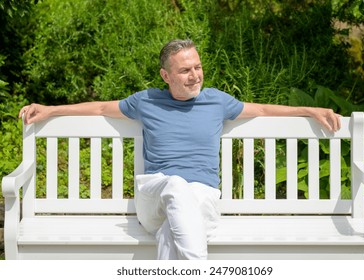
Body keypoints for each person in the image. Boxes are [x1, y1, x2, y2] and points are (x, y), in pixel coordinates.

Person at [19, 39, 341, 260]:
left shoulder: (217, 100)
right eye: (185, 70)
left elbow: (265, 111)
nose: (195, 75)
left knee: (170, 234)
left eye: (197, 67)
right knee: (175, 186)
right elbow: (102, 108)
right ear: (166, 75)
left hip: (202, 199)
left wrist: (310, 111)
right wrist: (50, 110)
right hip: (154, 195)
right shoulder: (146, 101)